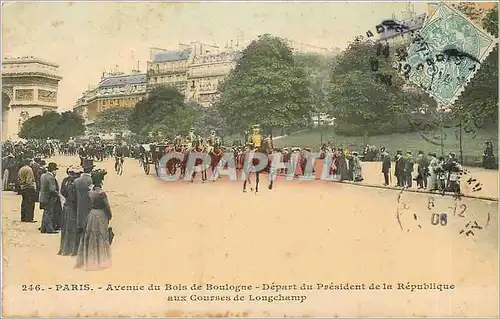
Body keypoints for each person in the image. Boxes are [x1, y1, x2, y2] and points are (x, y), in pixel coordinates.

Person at [75, 169, 112, 271]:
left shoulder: (91, 192)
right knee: (101, 236)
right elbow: (107, 207)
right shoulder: (101, 193)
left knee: (91, 236)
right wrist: (109, 216)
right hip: (100, 214)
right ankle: (102, 260)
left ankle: (91, 259)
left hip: (92, 215)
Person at [58, 166, 82, 256]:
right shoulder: (76, 182)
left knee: (65, 229)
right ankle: (72, 249)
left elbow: (63, 192)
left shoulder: (65, 181)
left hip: (66, 206)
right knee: (73, 229)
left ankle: (64, 248)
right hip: (73, 208)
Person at [74, 159, 94, 246]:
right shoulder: (91, 180)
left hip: (79, 204)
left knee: (81, 223)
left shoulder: (77, 180)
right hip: (89, 205)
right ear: (91, 169)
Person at [39, 162, 62, 233]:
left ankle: (43, 228)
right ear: (53, 170)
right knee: (49, 213)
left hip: (42, 197)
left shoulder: (43, 175)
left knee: (45, 213)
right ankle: (50, 229)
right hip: (49, 198)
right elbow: (52, 189)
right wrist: (58, 194)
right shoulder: (51, 177)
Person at [18, 158, 37, 223]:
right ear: (29, 163)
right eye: (31, 162)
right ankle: (29, 218)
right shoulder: (29, 169)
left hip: (22, 187)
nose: (32, 163)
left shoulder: (21, 169)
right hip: (29, 188)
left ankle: (23, 217)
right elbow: (29, 181)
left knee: (24, 203)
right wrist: (33, 186)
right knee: (30, 203)